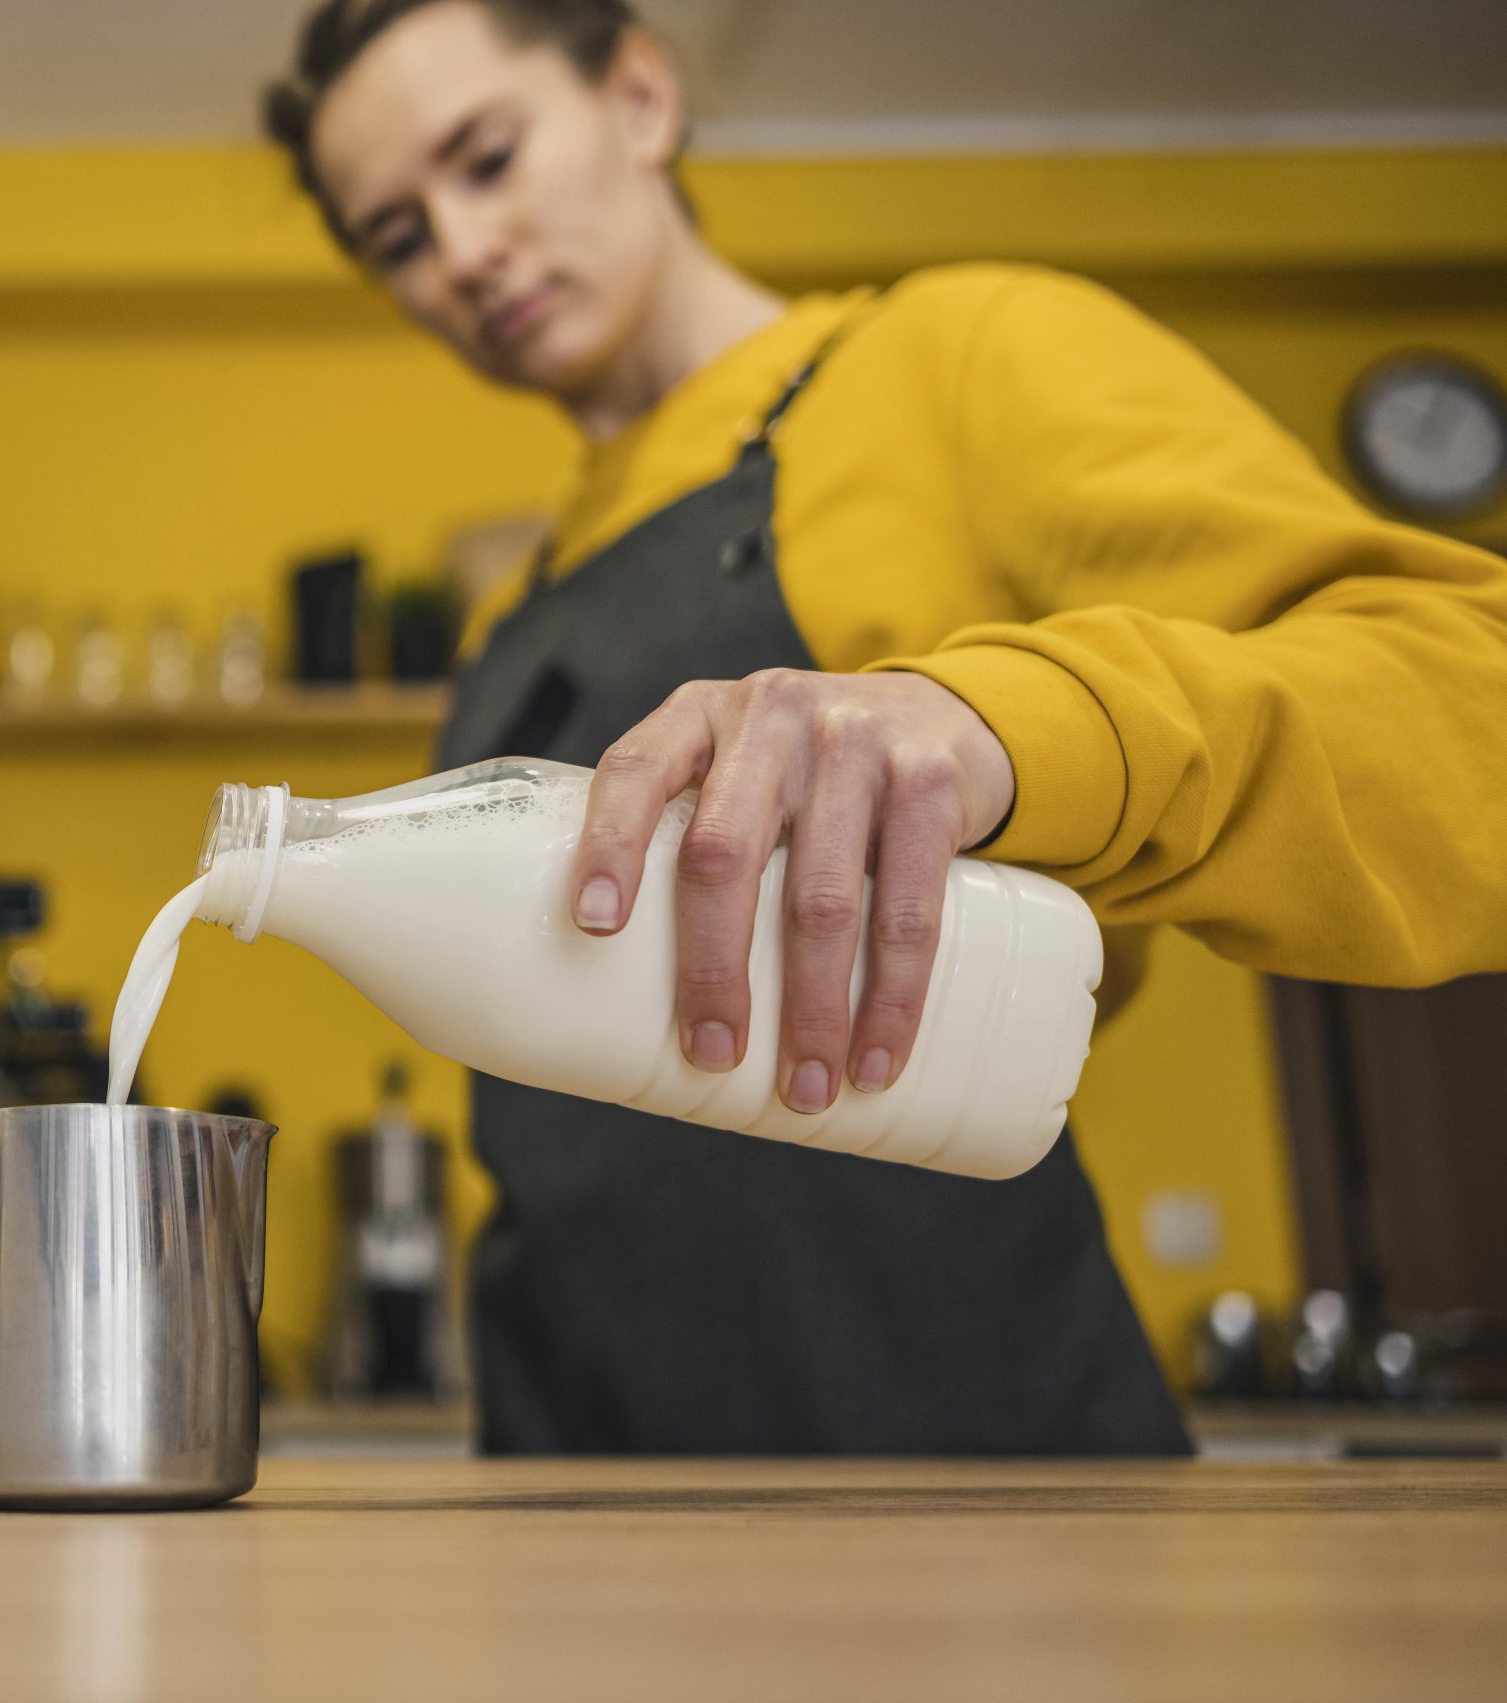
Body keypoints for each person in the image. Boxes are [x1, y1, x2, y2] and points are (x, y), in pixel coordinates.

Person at [263, 0, 1507, 1454]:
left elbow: (1466, 689)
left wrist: (992, 722)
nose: (464, 254)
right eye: (398, 238)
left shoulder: (959, 356)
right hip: (579, 1462)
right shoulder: (507, 616)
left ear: (642, 98)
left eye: (487, 157)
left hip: (961, 1447)